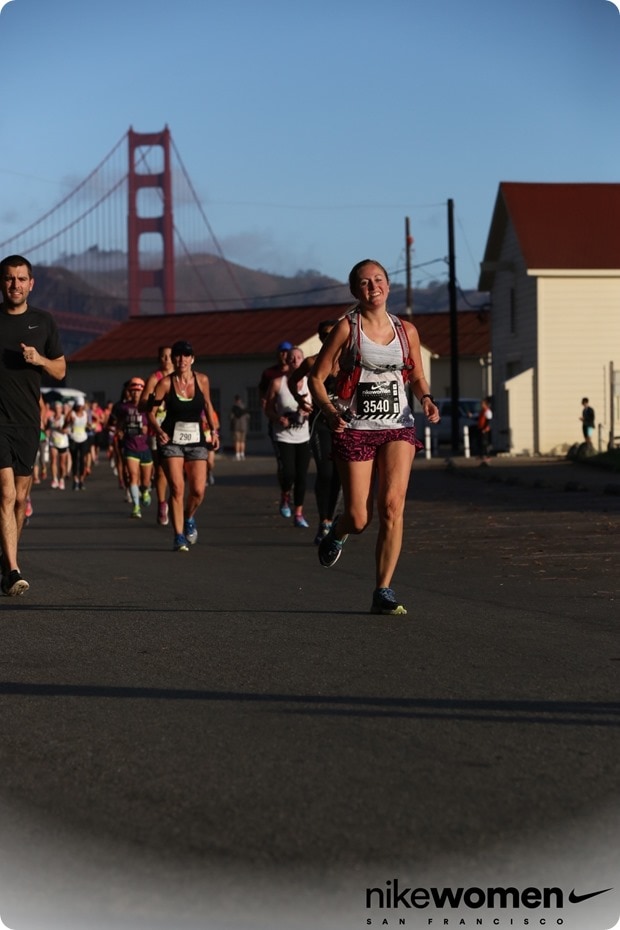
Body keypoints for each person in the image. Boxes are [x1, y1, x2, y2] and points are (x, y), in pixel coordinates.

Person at [309, 258, 439, 615]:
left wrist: (426, 399)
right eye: (365, 282)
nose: (373, 287)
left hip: (398, 425)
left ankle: (383, 589)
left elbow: (416, 377)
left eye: (378, 279)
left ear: (388, 285)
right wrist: (332, 411)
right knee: (360, 517)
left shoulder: (406, 330)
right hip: (356, 429)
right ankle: (339, 531)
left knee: (393, 507)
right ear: (355, 291)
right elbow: (316, 378)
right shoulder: (345, 329)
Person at [0, 254, 66, 595]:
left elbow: (60, 370)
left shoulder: (44, 322)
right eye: (9, 278)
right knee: (6, 492)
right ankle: (12, 569)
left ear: (31, 283)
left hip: (28, 422)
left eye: (21, 279)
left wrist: (38, 359)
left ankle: (5, 557)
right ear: (2, 282)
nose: (15, 284)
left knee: (20, 500)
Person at [147, 340, 220, 552]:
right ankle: (178, 535)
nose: (182, 359)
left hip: (196, 439)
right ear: (173, 359)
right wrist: (159, 431)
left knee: (198, 490)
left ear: (192, 359)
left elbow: (207, 405)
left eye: (186, 355)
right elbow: (150, 413)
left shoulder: (202, 380)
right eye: (178, 356)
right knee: (177, 488)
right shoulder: (165, 384)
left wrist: (213, 431)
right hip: (171, 440)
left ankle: (189, 517)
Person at [288, 320, 342, 543]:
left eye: (331, 333)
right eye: (323, 334)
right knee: (326, 473)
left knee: (339, 476)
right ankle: (324, 522)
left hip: (345, 424)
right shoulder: (312, 362)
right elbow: (293, 381)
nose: (327, 337)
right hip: (320, 423)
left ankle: (332, 517)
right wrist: (300, 399)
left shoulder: (349, 361)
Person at [264, 346, 312, 527]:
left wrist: (305, 412)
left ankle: (298, 513)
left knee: (302, 476)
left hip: (303, 435)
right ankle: (285, 495)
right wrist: (278, 418)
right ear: (287, 361)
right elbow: (267, 409)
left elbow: (316, 407)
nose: (295, 361)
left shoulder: (310, 382)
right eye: (291, 358)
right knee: (289, 473)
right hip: (283, 435)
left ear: (303, 360)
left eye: (298, 357)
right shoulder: (278, 383)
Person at [139, 345, 174, 525]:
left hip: (178, 429)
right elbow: (142, 404)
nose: (167, 360)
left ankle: (173, 501)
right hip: (157, 429)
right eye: (164, 356)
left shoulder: (182, 377)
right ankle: (162, 504)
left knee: (178, 471)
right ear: (159, 359)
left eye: (170, 356)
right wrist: (155, 401)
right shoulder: (155, 378)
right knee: (161, 470)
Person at [115, 377, 154, 519]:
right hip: (130, 446)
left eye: (138, 391)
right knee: (133, 476)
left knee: (145, 482)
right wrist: (119, 430)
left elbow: (155, 423)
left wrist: (148, 428)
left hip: (145, 447)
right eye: (133, 391)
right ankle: (136, 507)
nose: (136, 394)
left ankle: (144, 491)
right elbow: (119, 423)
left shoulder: (147, 408)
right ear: (129, 392)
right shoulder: (124, 408)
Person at [230, 394, 250, 460]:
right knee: (243, 441)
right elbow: (248, 417)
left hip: (236, 426)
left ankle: (237, 455)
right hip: (244, 426)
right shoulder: (244, 407)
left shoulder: (234, 408)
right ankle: (242, 454)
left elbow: (231, 417)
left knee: (237, 441)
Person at [476, 396, 493, 464]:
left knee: (485, 443)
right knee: (480, 442)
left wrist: (485, 428)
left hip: (485, 429)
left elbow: (488, 421)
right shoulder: (482, 411)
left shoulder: (487, 411)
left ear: (485, 404)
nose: (481, 405)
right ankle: (481, 455)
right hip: (481, 428)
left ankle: (487, 456)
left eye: (482, 404)